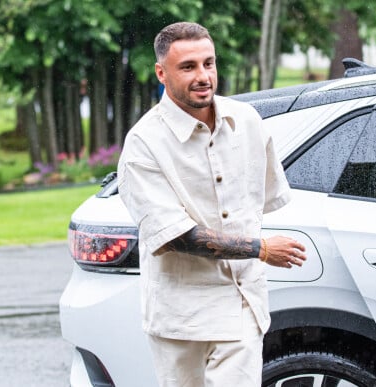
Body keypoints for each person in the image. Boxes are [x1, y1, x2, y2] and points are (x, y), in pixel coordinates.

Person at [117, 21, 307, 387]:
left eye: (209, 63)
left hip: (242, 306)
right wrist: (262, 249)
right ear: (161, 72)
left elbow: (260, 203)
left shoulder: (248, 122)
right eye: (188, 67)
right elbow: (177, 237)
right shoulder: (143, 144)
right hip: (180, 319)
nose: (203, 75)